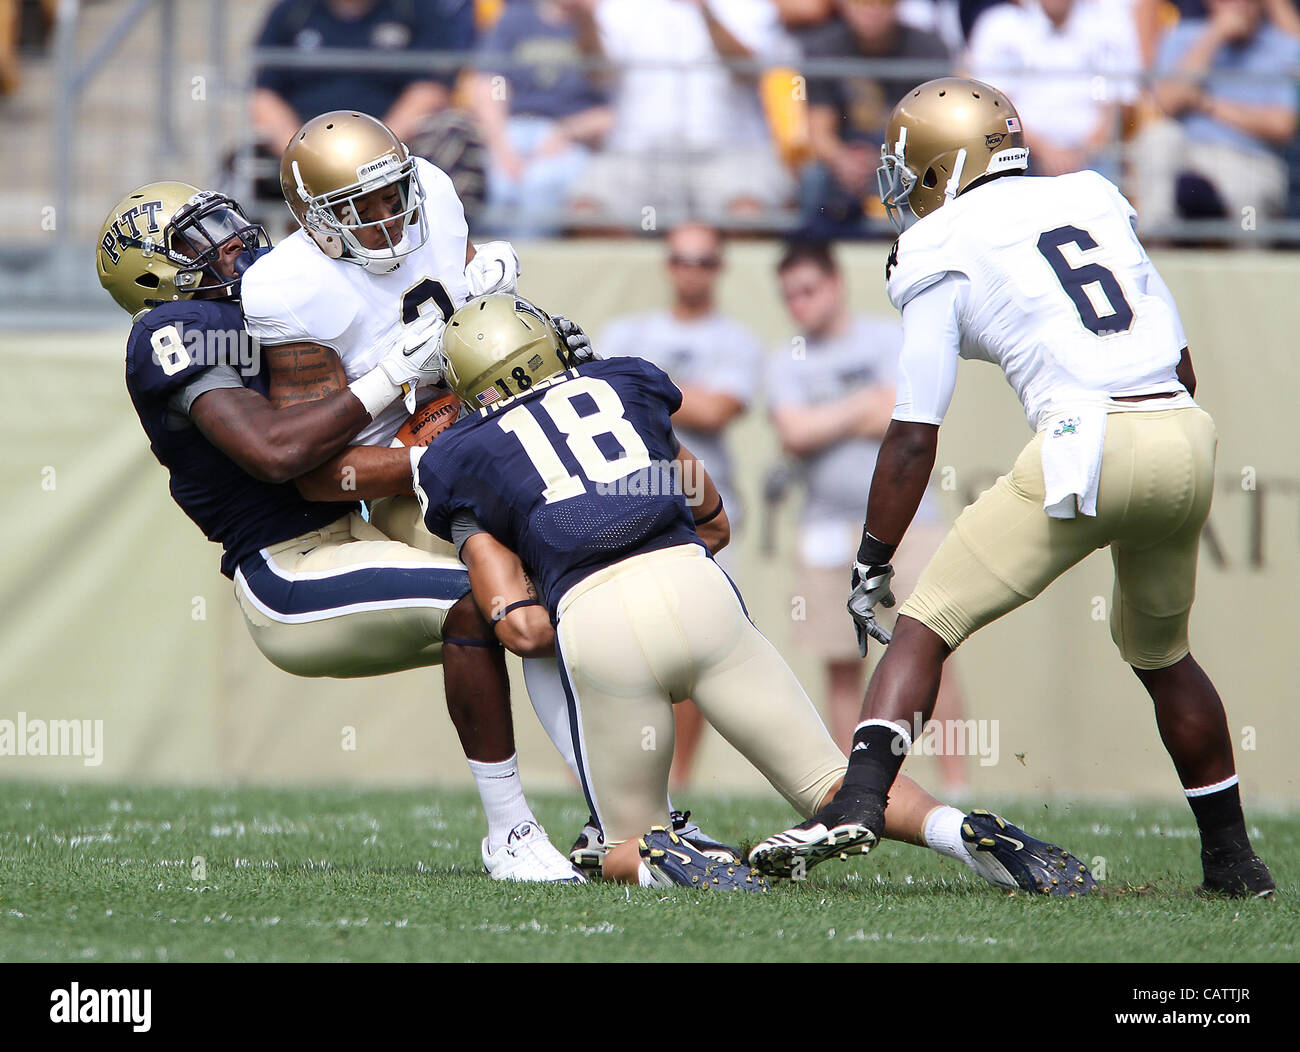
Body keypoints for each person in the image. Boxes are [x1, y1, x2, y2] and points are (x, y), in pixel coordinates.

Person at [749, 77, 1275, 898]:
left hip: (1086, 444)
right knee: (1164, 655)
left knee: (925, 621)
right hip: (1184, 432)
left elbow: (914, 431)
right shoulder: (1090, 193)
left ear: (938, 162)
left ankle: (856, 799)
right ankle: (1236, 866)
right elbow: (1179, 362)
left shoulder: (936, 245)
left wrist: (871, 559)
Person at [410, 292, 1099, 894]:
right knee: (832, 781)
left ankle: (662, 856)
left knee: (618, 841)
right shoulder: (623, 385)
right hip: (699, 590)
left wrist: (560, 568)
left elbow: (523, 631)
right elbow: (713, 516)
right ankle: (959, 829)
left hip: (599, 625)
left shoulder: (460, 455)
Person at [239, 108, 731, 876]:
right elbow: (316, 469)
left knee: (614, 585)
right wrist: (424, 437)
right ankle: (613, 825)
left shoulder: (431, 190)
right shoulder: (292, 288)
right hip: (416, 473)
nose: (387, 216)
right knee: (536, 607)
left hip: (508, 425)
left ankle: (636, 819)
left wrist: (503, 314)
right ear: (317, 222)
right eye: (359, 208)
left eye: (391, 193)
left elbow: (477, 330)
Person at [96, 181, 582, 884]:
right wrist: (393, 377)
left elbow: (416, 376)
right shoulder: (171, 331)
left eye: (229, 219)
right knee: (481, 599)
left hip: (359, 524)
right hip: (288, 567)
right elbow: (277, 452)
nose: (236, 238)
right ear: (154, 273)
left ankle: (616, 818)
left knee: (549, 584)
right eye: (202, 238)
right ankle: (511, 833)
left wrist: (501, 318)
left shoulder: (289, 297)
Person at [768, 239, 967, 793]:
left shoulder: (885, 338)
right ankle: (851, 789)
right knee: (840, 658)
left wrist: (825, 419)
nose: (799, 304)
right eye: (789, 296)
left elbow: (895, 411)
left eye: (809, 290)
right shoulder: (786, 358)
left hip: (908, 521)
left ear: (836, 284)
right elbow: (794, 432)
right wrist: (860, 408)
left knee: (929, 648)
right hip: (825, 527)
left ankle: (956, 785)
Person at [600, 222, 762, 790]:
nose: (691, 270)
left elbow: (719, 411)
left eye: (704, 260)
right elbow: (604, 402)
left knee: (696, 657)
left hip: (706, 519)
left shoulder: (737, 339)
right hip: (631, 510)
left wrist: (643, 392)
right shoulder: (627, 328)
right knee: (628, 653)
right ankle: (628, 777)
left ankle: (681, 781)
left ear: (719, 267)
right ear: (667, 264)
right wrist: (674, 396)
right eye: (682, 259)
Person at [568, 0, 796, 222]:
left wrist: (706, 12)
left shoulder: (749, 5)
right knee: (587, 214)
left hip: (729, 151)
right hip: (636, 153)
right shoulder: (619, 6)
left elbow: (747, 72)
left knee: (746, 216)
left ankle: (699, 258)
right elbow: (599, 75)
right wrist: (586, 21)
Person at [1134, 0, 1299, 230]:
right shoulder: (1181, 37)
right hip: (1190, 151)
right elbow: (1167, 101)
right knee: (1158, 138)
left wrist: (1206, 103)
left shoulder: (1285, 45)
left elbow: (1283, 125)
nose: (1239, 5)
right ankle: (1157, 238)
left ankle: (1248, 256)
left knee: (1248, 200)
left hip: (1250, 160)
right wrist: (1215, 35)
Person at [796, 0, 949, 235]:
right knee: (814, 179)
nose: (872, 9)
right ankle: (816, 259)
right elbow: (819, 132)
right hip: (845, 159)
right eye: (861, 2)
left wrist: (885, 160)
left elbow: (936, 132)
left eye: (883, 2)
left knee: (931, 181)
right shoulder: (823, 48)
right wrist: (843, 160)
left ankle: (920, 256)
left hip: (905, 160)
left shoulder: (927, 49)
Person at [251, 0, 474, 153]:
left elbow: (431, 90)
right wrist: (299, 151)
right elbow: (263, 96)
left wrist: (377, 148)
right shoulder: (291, 13)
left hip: (397, 144)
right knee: (236, 164)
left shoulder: (417, 10)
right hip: (305, 142)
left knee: (453, 132)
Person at [471, 0, 613, 236]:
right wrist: (502, 147)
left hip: (570, 139)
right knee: (499, 185)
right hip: (512, 128)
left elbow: (609, 113)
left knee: (542, 184)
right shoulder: (515, 19)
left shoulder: (600, 25)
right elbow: (488, 86)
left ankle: (526, 267)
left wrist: (566, 132)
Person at [964, 0, 1141, 179]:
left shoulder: (1106, 26)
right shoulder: (1000, 25)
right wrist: (1046, 151)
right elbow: (995, 108)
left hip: (1090, 156)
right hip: (1022, 149)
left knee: (1105, 177)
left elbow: (1116, 104)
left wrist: (1082, 153)